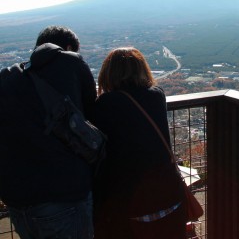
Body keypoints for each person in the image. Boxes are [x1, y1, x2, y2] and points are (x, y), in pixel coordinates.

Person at [0, 25, 97, 239]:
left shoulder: (9, 78)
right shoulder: (71, 63)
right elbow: (92, 115)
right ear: (69, 48)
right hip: (64, 195)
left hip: (18, 201)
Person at [91, 47, 187, 239]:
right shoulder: (157, 95)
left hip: (128, 202)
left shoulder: (104, 105)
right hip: (168, 196)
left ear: (108, 73)